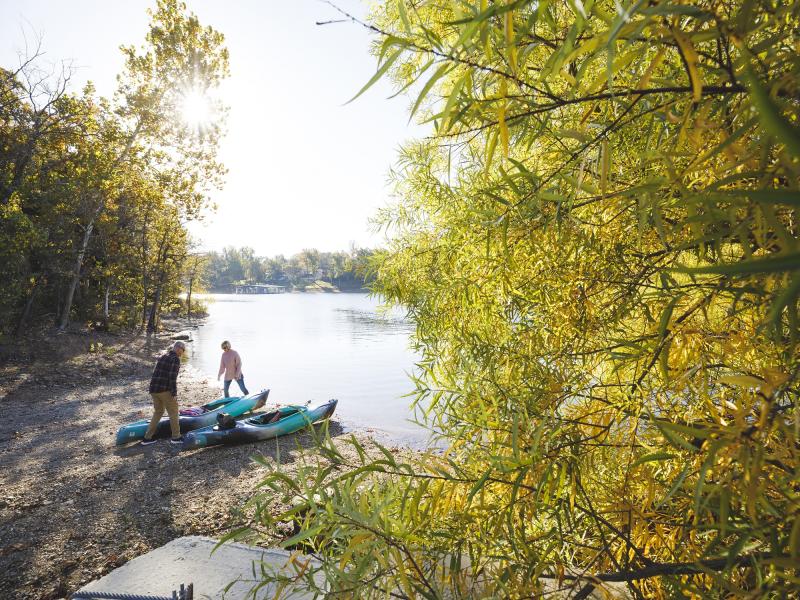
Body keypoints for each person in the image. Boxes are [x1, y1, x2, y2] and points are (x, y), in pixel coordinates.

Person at [141, 341, 186, 446]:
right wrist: (174, 393)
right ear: (179, 348)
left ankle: (147, 438)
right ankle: (176, 437)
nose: (182, 353)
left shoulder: (163, 356)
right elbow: (172, 377)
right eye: (183, 351)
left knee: (158, 412)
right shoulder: (175, 359)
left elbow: (156, 373)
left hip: (154, 389)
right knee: (173, 412)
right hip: (164, 390)